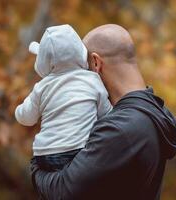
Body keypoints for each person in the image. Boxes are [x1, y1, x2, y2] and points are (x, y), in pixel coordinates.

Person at [30, 24, 176, 200]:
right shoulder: (149, 112)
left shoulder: (122, 127)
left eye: (83, 70)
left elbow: (61, 192)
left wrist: (36, 163)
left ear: (96, 63)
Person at [15, 24, 112, 172]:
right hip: (79, 152)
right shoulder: (92, 80)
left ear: (43, 62)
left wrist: (18, 111)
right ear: (81, 52)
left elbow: (26, 118)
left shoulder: (42, 87)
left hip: (44, 154)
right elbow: (107, 114)